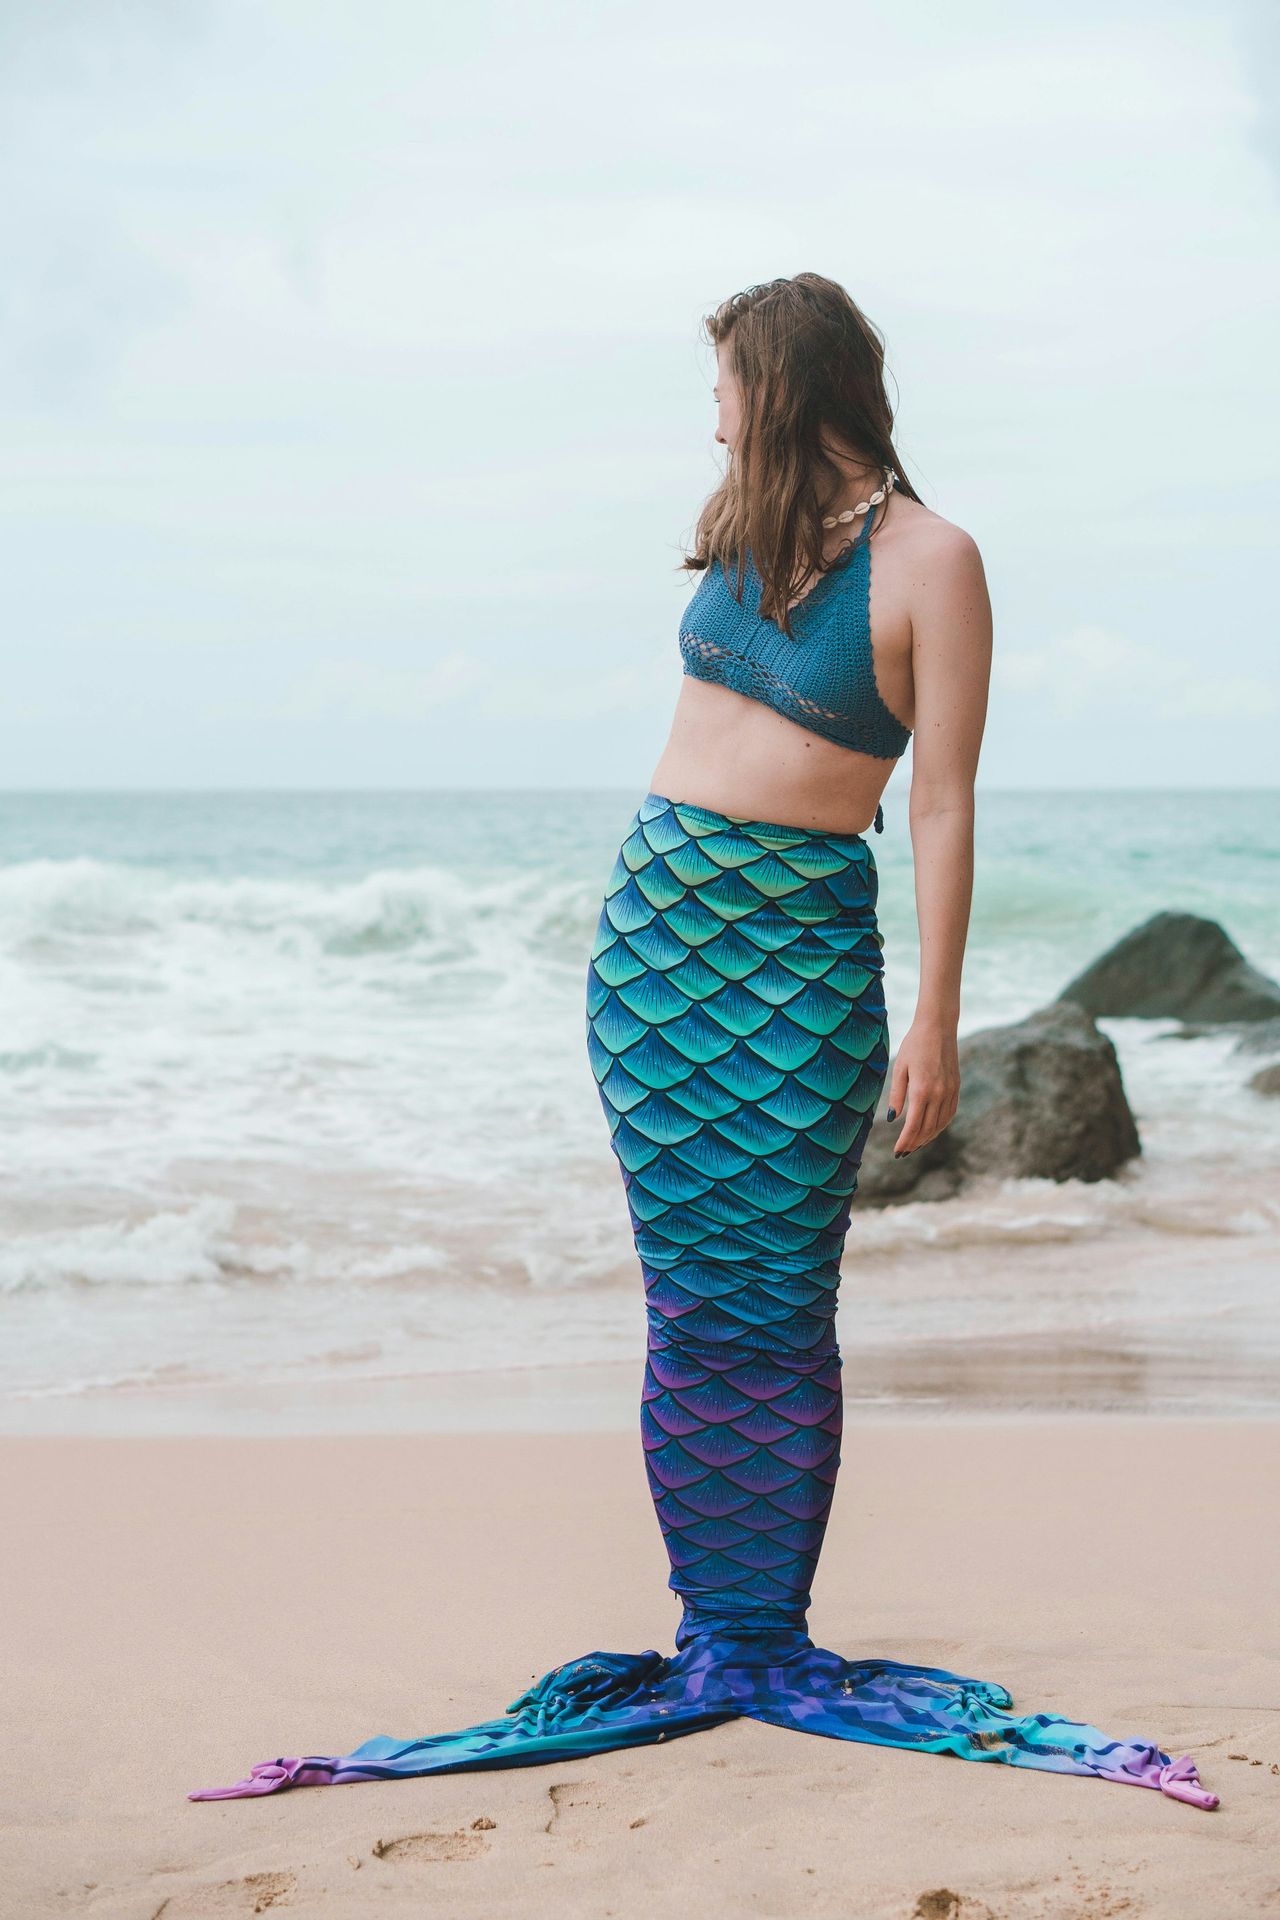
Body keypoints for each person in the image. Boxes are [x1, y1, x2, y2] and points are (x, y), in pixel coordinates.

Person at [189, 274, 1218, 1811]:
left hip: (800, 961)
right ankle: (709, 1629)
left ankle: (759, 1638)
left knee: (780, 1299)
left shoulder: (937, 558)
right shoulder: (739, 526)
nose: (713, 410)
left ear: (791, 385)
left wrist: (937, 1006)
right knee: (687, 1304)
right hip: (657, 960)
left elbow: (939, 797)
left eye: (728, 382)